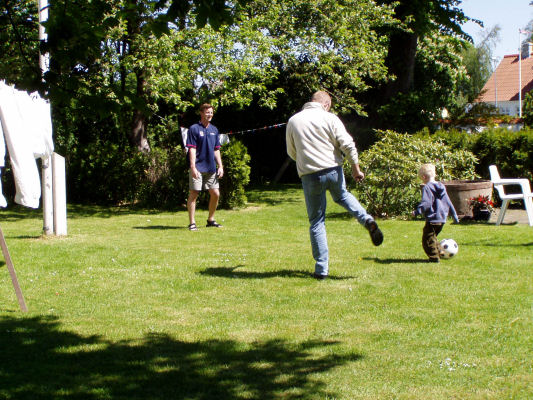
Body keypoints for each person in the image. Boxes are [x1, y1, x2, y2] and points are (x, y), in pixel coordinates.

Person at [286, 90, 383, 280]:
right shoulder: (330, 118)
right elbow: (348, 144)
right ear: (326, 104)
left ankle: (321, 269)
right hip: (333, 169)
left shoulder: (293, 121)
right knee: (343, 196)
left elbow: (291, 151)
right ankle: (367, 220)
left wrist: (305, 162)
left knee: (317, 221)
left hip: (310, 175)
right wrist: (356, 169)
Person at [186, 103, 224, 231]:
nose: (210, 115)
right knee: (194, 193)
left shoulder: (214, 130)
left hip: (211, 168)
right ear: (201, 113)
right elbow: (191, 149)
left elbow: (216, 150)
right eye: (207, 112)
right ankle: (192, 223)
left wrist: (220, 166)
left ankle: (210, 220)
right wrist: (193, 167)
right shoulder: (194, 129)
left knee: (215, 193)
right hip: (197, 167)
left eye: (211, 112)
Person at [413, 163, 459, 262]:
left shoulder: (427, 187)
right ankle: (440, 252)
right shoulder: (441, 186)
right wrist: (454, 215)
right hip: (442, 219)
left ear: (424, 177)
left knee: (427, 240)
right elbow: (448, 201)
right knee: (432, 238)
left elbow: (426, 202)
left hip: (433, 218)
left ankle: (434, 257)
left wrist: (417, 211)